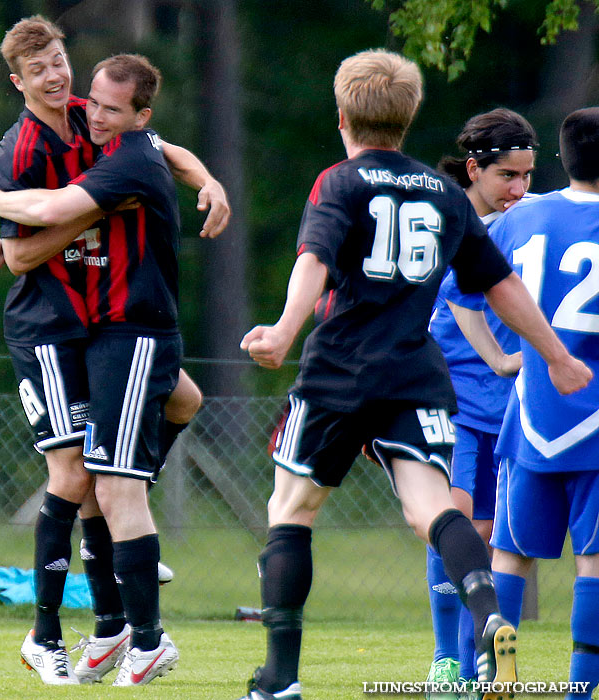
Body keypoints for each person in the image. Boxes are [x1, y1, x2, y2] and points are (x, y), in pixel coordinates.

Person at [237, 49, 591, 700]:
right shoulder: (441, 193)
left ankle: (279, 678)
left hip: (338, 367)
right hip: (417, 371)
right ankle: (488, 621)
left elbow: (314, 258)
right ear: (408, 117)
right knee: (431, 508)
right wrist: (559, 356)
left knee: (291, 509)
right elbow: (501, 285)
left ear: (342, 116)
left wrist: (285, 330)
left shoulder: (339, 182)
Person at [0, 16, 227, 686]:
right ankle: (49, 633)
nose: (57, 77)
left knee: (166, 417)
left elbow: (160, 147)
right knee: (80, 480)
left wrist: (209, 179)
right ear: (18, 82)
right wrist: (78, 209)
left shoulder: (100, 118)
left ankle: (117, 616)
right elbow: (23, 252)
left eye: (60, 61)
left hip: (109, 324)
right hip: (52, 328)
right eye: (40, 70)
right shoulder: (19, 151)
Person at [424, 109, 537, 697]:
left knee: (493, 537)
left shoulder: (530, 220)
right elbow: (459, 302)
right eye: (507, 177)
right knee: (458, 521)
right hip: (454, 397)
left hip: (510, 405)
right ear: (475, 168)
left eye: (527, 175)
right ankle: (450, 662)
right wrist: (497, 359)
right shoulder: (449, 218)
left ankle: (476, 667)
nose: (519, 189)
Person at [488, 107, 599, 700]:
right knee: (595, 562)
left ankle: (495, 679)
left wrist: (501, 358)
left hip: (531, 414)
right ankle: (580, 690)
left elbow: (462, 288)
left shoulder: (522, 217)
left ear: (561, 156)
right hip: (597, 414)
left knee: (509, 556)